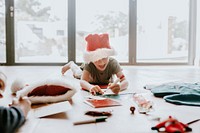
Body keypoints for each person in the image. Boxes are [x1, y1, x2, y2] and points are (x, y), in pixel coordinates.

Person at [62, 33, 128, 95]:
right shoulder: (89, 64)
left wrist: (119, 86)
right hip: (86, 74)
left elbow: (125, 81)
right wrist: (90, 87)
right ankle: (71, 64)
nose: (101, 62)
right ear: (91, 58)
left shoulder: (113, 63)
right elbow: (82, 82)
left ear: (108, 55)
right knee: (77, 73)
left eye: (104, 58)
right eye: (96, 59)